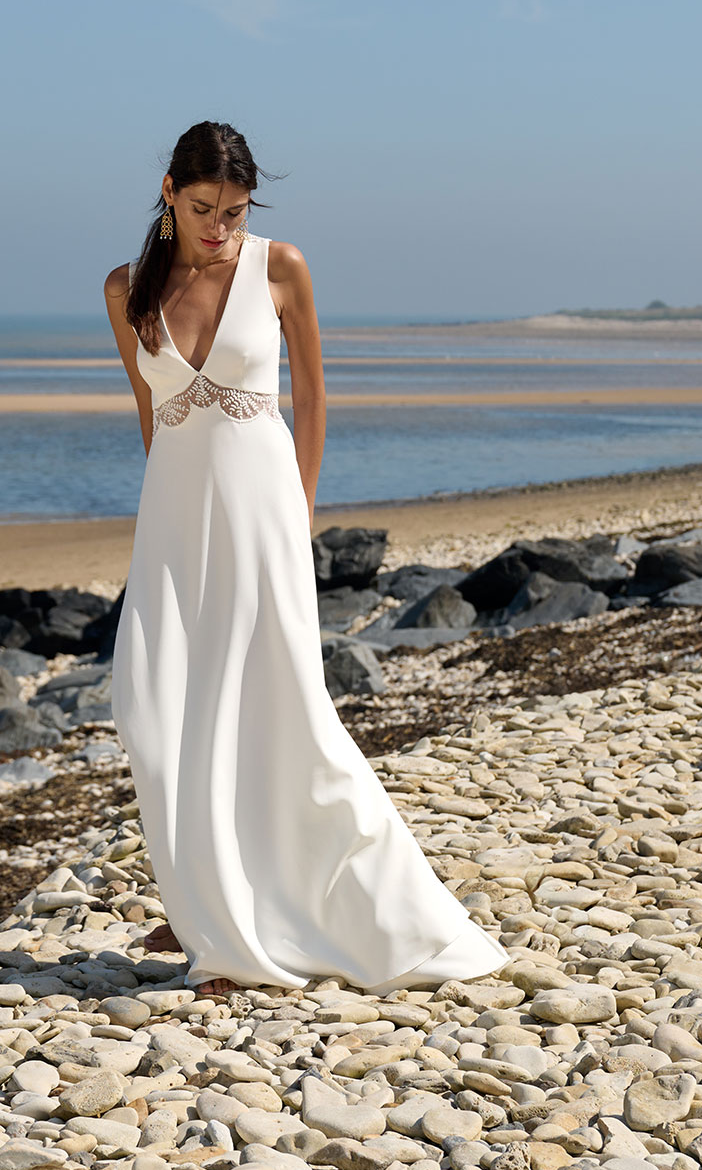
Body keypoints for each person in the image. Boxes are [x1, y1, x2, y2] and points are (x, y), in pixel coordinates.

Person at [103, 121, 507, 1000]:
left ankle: (260, 930)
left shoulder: (279, 266)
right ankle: (206, 895)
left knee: (279, 713)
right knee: (155, 707)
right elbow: (151, 415)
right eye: (204, 208)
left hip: (265, 514)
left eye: (235, 210)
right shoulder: (127, 290)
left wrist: (302, 513)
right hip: (174, 522)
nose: (220, 227)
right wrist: (166, 523)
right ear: (170, 190)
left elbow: (315, 396)